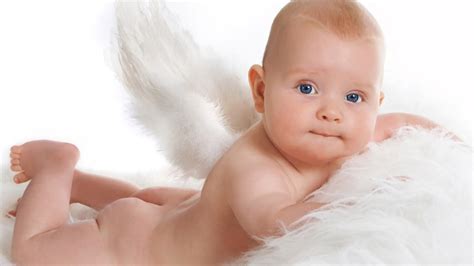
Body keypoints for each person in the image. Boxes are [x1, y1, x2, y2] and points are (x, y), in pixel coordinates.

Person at [8, 0, 450, 264]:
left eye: (354, 97)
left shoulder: (343, 132)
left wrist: (453, 148)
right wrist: (355, 199)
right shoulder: (256, 172)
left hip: (177, 214)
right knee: (33, 251)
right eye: (307, 88)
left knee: (154, 201)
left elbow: (400, 125)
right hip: (139, 249)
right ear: (260, 90)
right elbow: (271, 223)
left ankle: (83, 185)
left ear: (375, 102)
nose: (331, 112)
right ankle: (57, 165)